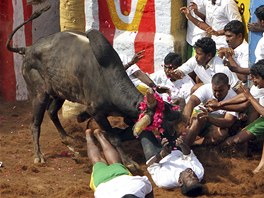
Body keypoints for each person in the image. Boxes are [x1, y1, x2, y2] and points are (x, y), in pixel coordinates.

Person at [216, 60, 264, 173]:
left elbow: (249, 98)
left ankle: (260, 168)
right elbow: (245, 97)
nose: (252, 79)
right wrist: (220, 104)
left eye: (255, 77)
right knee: (235, 140)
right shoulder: (259, 87)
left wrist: (250, 98)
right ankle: (215, 156)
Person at [86, 128, 154, 198]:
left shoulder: (138, 186)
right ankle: (92, 136)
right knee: (97, 160)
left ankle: (96, 136)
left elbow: (148, 186)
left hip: (119, 175)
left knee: (114, 162)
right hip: (101, 179)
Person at [139, 131, 204, 197]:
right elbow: (189, 155)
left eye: (189, 177)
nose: (192, 173)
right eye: (195, 176)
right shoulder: (199, 172)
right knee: (168, 126)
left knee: (145, 133)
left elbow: (151, 165)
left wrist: (162, 155)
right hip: (175, 149)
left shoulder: (164, 181)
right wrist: (182, 145)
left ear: (180, 182)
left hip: (155, 156)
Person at [183, 73, 239, 146]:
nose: (217, 94)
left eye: (221, 90)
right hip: (199, 117)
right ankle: (183, 147)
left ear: (228, 87)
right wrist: (185, 119)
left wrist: (209, 118)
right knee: (198, 117)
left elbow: (228, 121)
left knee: (222, 134)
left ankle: (194, 145)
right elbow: (192, 101)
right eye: (214, 90)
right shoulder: (206, 88)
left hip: (216, 123)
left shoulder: (234, 98)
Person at [170, 37, 241, 93]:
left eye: (199, 54)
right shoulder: (195, 60)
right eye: (196, 53)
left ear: (209, 56)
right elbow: (181, 70)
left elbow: (236, 88)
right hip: (212, 91)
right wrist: (176, 74)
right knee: (195, 90)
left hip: (226, 95)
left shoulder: (221, 68)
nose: (196, 56)